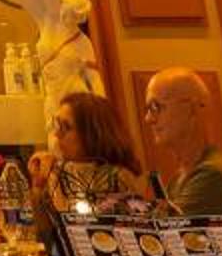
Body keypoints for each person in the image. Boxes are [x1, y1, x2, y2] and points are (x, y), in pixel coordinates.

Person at [28, 89, 144, 237]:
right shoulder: (55, 173)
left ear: (92, 133)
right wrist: (38, 186)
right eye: (57, 125)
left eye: (66, 127)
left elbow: (135, 233)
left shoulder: (118, 177)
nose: (57, 134)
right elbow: (43, 235)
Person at [140, 67, 222, 217]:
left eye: (156, 107)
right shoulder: (180, 178)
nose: (148, 119)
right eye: (147, 109)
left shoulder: (212, 176)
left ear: (192, 109)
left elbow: (160, 228)